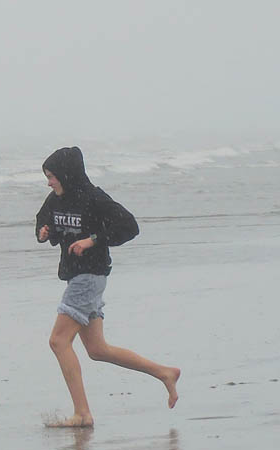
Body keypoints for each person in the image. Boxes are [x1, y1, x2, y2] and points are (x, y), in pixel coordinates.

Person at [35, 146, 180, 427]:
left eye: (51, 176)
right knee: (97, 349)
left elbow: (129, 226)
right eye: (47, 177)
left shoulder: (93, 197)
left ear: (67, 174)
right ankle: (165, 373)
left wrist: (92, 240)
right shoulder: (55, 199)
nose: (49, 182)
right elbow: (44, 220)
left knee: (58, 341)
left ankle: (82, 414)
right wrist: (43, 232)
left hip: (89, 276)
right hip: (78, 277)